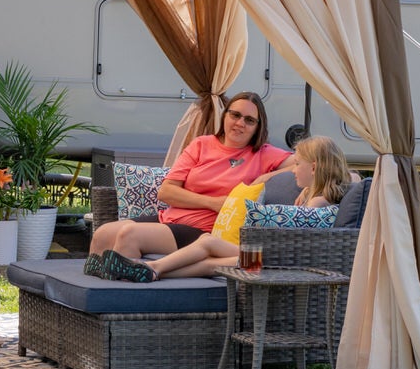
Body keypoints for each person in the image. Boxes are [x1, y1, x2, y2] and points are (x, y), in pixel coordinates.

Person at [93, 134, 351, 282]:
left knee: (207, 241)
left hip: (273, 264)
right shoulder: (313, 194)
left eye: (299, 165)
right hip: (267, 262)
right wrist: (305, 188)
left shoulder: (318, 203)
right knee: (208, 264)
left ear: (315, 168)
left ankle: (153, 269)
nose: (293, 169)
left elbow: (295, 240)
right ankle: (151, 273)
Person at [86, 90, 289, 263]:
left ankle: (127, 301)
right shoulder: (202, 144)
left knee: (129, 235)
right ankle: (93, 299)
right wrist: (213, 203)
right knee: (102, 234)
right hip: (170, 219)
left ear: (258, 127)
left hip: (205, 231)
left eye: (249, 120)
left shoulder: (263, 153)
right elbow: (166, 192)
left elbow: (306, 164)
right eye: (235, 115)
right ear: (225, 115)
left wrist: (266, 178)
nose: (240, 123)